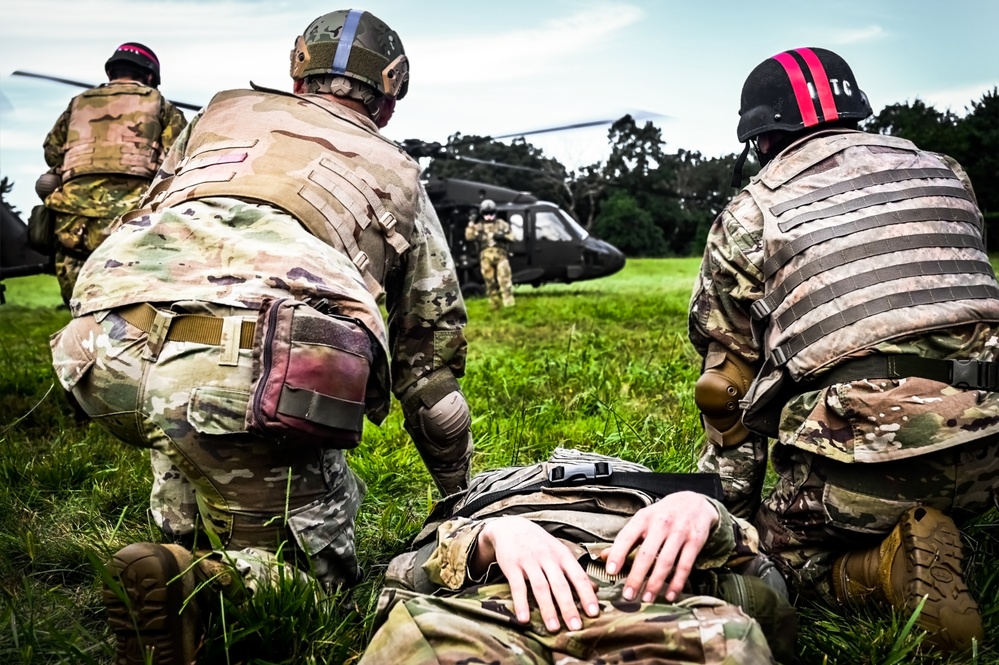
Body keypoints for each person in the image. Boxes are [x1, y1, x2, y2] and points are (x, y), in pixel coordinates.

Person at [49, 10, 472, 664]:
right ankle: (217, 588)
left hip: (99, 348)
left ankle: (181, 540)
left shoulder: (214, 122)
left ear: (296, 73)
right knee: (324, 592)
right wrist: (460, 499)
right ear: (389, 99)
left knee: (186, 402)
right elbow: (431, 383)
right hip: (242, 371)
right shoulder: (396, 170)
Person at [688, 46, 997, 652]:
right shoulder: (945, 171)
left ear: (761, 140)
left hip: (871, 466)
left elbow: (725, 392)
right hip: (992, 444)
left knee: (773, 564)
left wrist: (735, 521)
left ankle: (885, 569)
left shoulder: (751, 212)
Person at [358, 448, 796, 665]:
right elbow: (404, 576)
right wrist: (489, 536)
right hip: (490, 609)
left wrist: (705, 512)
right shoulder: (485, 507)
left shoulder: (662, 503)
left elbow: (767, 581)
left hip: (657, 607)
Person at [38, 42, 188, 306]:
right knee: (134, 301)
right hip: (135, 217)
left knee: (79, 302)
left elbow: (52, 152)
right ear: (150, 76)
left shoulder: (77, 104)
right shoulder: (161, 106)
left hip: (74, 221)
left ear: (111, 72)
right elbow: (180, 156)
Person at [465, 198, 516, 308]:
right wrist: (471, 222)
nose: (489, 215)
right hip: (486, 257)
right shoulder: (478, 226)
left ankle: (509, 305)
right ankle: (494, 305)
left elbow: (512, 237)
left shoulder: (502, 224)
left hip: (501, 255)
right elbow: (469, 237)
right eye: (486, 213)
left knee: (505, 282)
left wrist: (502, 236)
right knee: (490, 282)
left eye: (491, 213)